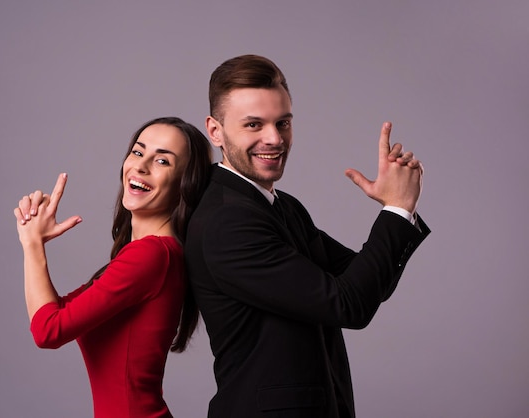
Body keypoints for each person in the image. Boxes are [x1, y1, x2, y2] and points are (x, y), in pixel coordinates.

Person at [184, 54, 431, 417]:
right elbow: (350, 305)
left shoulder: (281, 206)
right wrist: (396, 210)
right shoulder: (227, 222)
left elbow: (367, 283)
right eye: (253, 125)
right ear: (215, 130)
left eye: (282, 122)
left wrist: (400, 210)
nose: (274, 139)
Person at [13, 117, 212, 418]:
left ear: (185, 183)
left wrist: (32, 245)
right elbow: (56, 311)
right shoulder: (149, 255)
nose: (141, 166)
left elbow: (48, 331)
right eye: (137, 152)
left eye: (161, 160)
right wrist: (33, 236)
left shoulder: (151, 256)